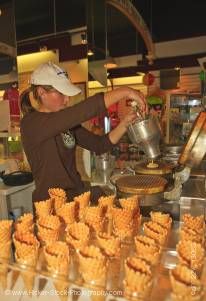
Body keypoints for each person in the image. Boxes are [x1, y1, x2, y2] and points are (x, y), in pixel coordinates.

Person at [20, 61, 147, 204]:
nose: (67, 99)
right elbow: (81, 111)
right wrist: (125, 91)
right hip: (51, 206)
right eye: (62, 93)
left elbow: (100, 145)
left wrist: (125, 123)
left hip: (75, 198)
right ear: (41, 92)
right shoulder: (31, 124)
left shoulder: (65, 123)